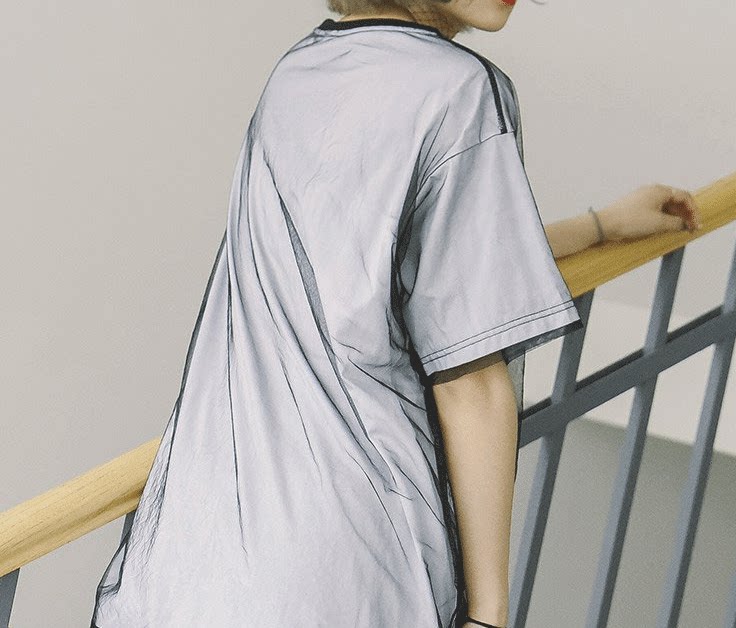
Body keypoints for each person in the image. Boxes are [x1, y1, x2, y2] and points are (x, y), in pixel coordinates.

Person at [89, 1, 701, 627]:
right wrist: (488, 614)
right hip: (355, 555)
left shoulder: (296, 73)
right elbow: (469, 379)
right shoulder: (461, 90)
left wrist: (601, 225)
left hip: (203, 554)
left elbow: (398, 265)